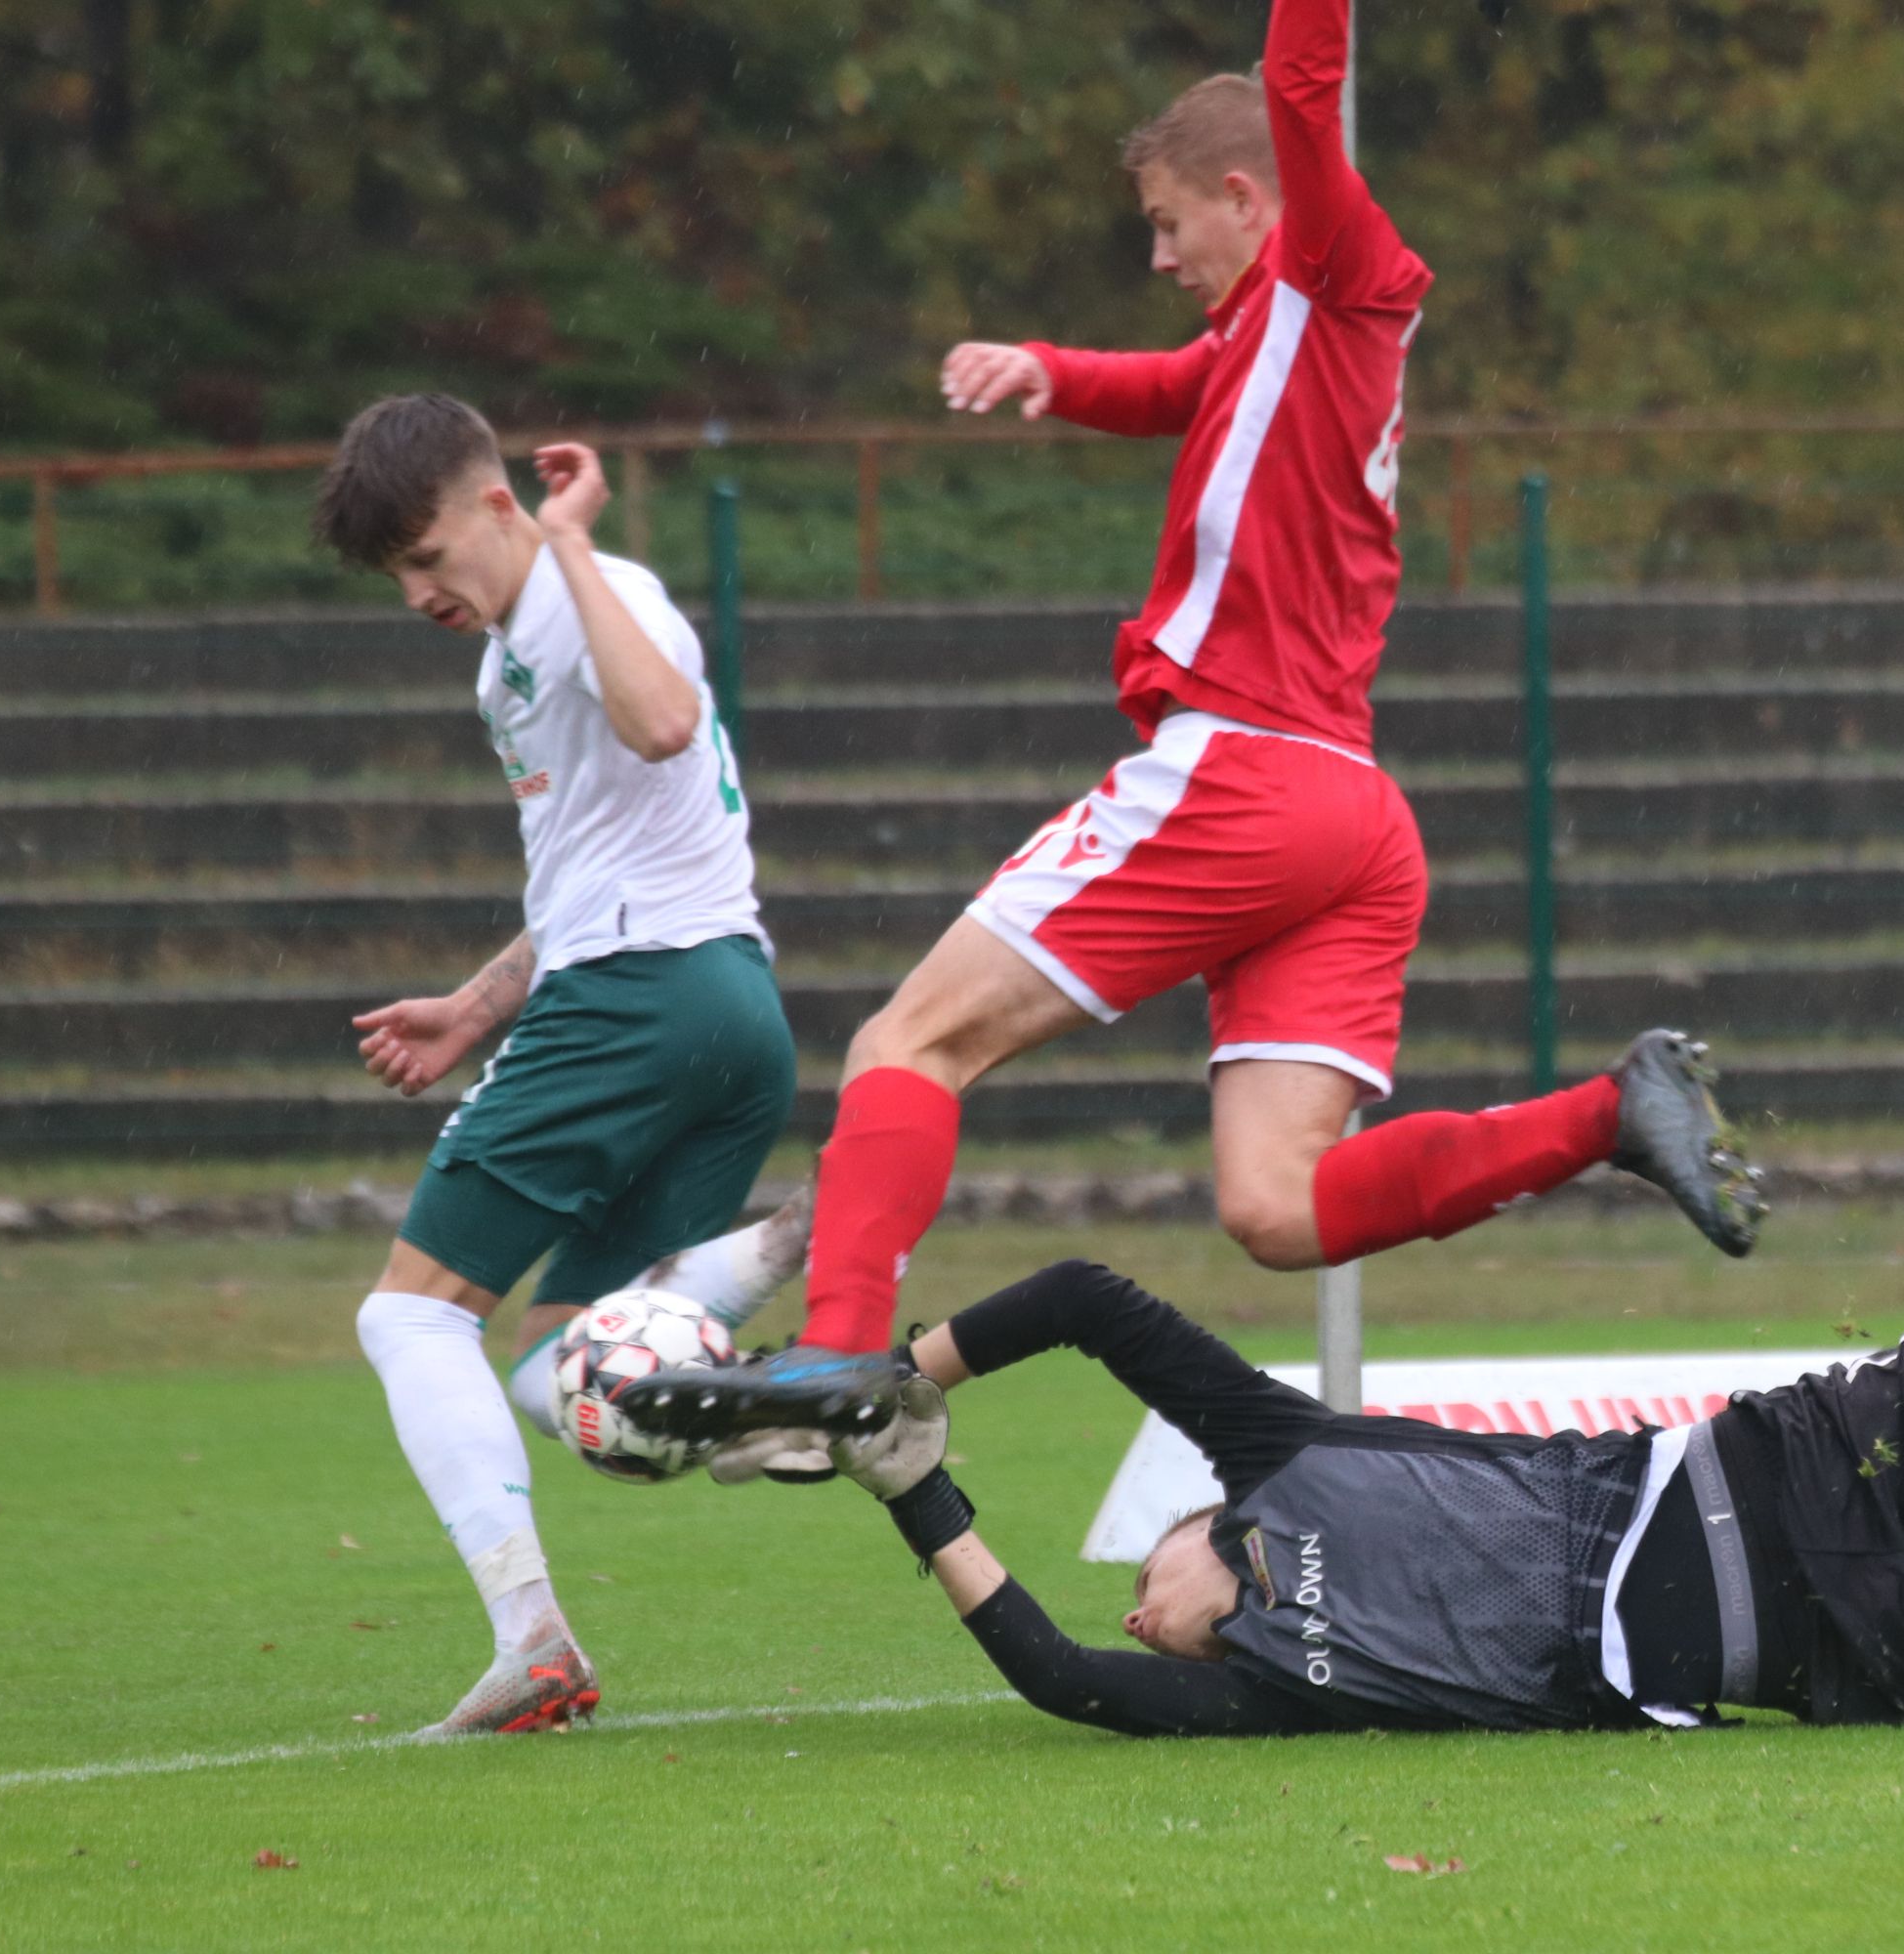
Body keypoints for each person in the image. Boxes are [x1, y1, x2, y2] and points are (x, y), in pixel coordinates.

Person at [683, 0, 1766, 1444]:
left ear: (1248, 198)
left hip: (1245, 773)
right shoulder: (1269, 333)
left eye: (1165, 219)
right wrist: (1050, 371)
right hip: (1348, 822)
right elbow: (1174, 394)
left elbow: (1305, 82)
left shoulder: (1332, 270)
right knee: (1276, 1206)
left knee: (908, 1043)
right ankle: (1612, 1114)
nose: (1156, 252)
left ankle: (832, 1358)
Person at [628, 1258, 1904, 1737]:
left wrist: (906, 1377)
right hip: (1816, 1639)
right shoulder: (1273, 1689)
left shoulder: (1272, 1451)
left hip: (1785, 1455)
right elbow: (1056, 1677)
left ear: (1187, 1535)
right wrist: (914, 1487)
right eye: (1144, 1620)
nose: (1137, 1608)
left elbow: (1080, 1299)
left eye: (1141, 1579)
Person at [311, 396, 812, 1735]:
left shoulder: (606, 591)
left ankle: (534, 1641)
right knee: (560, 1372)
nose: (420, 590)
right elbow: (597, 856)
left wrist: (576, 545)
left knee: (409, 1319)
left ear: (495, 507)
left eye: (428, 555)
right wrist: (477, 1006)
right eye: (397, 576)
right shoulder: (507, 663)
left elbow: (658, 720)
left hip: (638, 1006)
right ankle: (805, 1301)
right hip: (720, 1013)